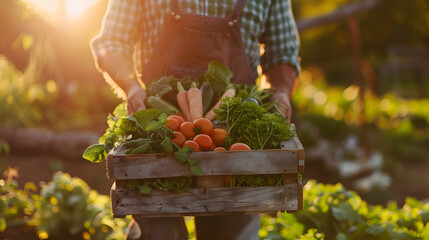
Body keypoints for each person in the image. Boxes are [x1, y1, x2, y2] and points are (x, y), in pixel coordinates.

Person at [91, 0, 300, 239]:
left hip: (235, 142)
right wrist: (131, 87)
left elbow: (282, 53)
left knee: (232, 230)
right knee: (160, 233)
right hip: (160, 136)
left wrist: (282, 91)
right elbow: (111, 42)